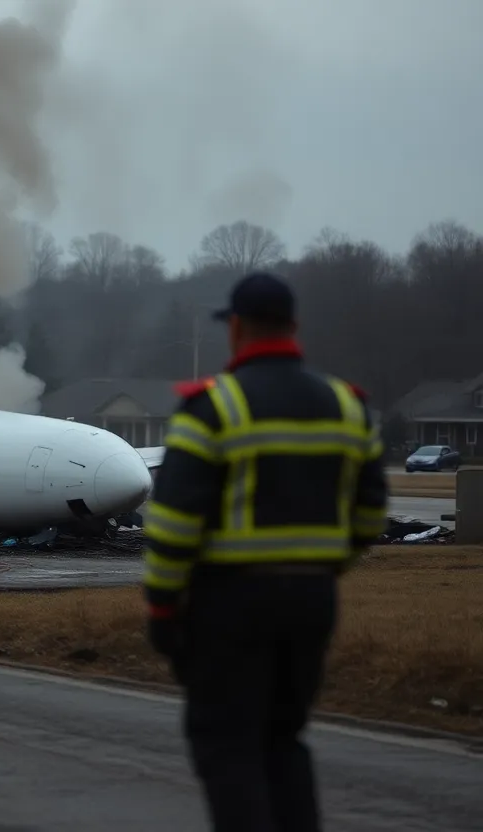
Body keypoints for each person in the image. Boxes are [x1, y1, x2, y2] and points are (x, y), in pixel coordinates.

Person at [142, 271, 389, 832]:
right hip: (311, 602)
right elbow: (370, 513)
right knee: (285, 740)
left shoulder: (213, 409)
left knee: (228, 744)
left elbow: (174, 524)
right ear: (293, 328)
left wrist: (162, 607)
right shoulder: (347, 407)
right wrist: (322, 566)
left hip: (231, 605)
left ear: (235, 329)